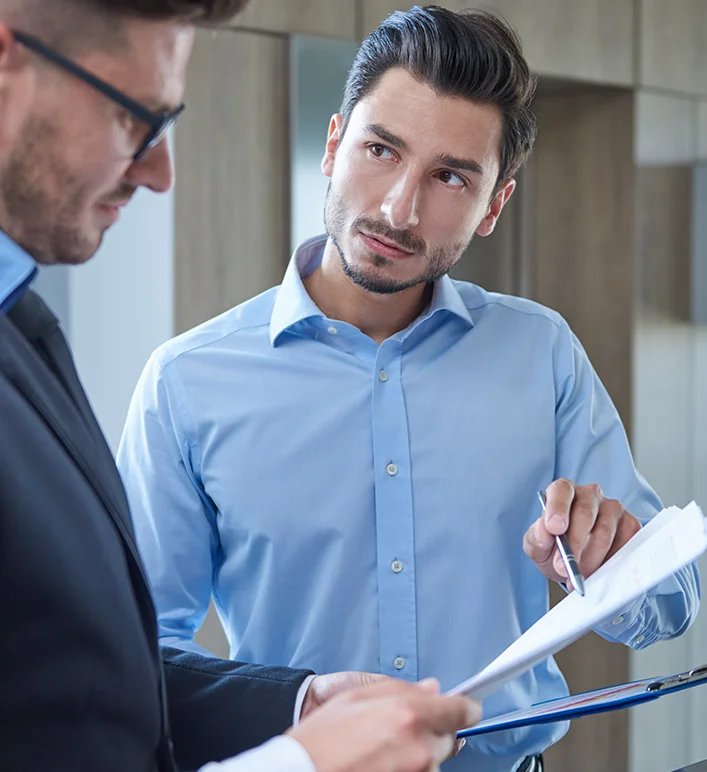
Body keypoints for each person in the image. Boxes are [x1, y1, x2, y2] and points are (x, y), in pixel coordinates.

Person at [117, 5, 701, 772]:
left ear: (494, 205)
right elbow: (137, 656)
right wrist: (298, 703)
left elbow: (671, 602)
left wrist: (606, 564)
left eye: (449, 176)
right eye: (380, 150)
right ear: (334, 145)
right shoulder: (186, 382)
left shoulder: (542, 352)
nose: (398, 208)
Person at [0, 0, 481, 770]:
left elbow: (92, 677)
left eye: (450, 175)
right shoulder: (182, 375)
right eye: (133, 119)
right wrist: (300, 762)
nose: (160, 172)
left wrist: (292, 703)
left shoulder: (23, 324)